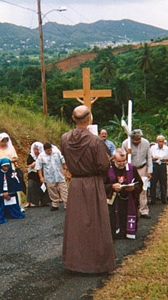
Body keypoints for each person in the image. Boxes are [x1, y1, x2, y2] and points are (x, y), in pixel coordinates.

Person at [61, 105, 115, 274]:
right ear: (89, 118)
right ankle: (97, 263)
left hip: (76, 184)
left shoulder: (64, 138)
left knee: (76, 223)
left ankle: (74, 262)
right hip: (93, 183)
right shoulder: (95, 141)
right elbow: (104, 165)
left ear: (72, 118)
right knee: (96, 222)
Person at [105, 148, 143, 240]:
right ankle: (115, 233)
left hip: (128, 200)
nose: (122, 164)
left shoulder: (131, 168)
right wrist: (112, 186)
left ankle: (128, 232)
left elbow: (140, 183)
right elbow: (102, 185)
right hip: (114, 201)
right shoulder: (107, 169)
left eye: (123, 161)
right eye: (119, 161)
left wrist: (133, 188)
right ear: (113, 159)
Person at [122, 129, 153, 219]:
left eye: (138, 139)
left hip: (142, 168)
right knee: (130, 188)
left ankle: (144, 211)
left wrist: (149, 171)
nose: (137, 141)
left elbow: (149, 157)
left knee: (143, 190)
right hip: (131, 168)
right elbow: (121, 157)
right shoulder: (126, 143)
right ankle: (130, 209)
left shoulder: (146, 143)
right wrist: (127, 153)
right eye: (135, 140)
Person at [0, 132, 26, 212]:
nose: (4, 143)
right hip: (0, 170)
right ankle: (2, 206)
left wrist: (8, 161)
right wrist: (0, 162)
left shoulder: (10, 148)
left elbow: (15, 158)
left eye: (6, 141)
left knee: (13, 186)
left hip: (10, 169)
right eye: (3, 141)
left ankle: (18, 205)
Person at [36, 142, 68, 211]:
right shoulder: (41, 156)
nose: (49, 152)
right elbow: (39, 167)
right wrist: (41, 177)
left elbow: (63, 160)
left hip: (59, 174)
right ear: (44, 150)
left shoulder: (56, 152)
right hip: (49, 176)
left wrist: (65, 169)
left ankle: (66, 203)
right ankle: (55, 204)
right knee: (52, 190)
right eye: (48, 151)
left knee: (63, 189)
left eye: (50, 150)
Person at [25, 141, 50, 208]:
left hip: (41, 174)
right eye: (34, 149)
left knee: (43, 185)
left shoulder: (42, 156)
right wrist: (32, 165)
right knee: (31, 185)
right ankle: (31, 201)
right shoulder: (31, 156)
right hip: (32, 175)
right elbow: (28, 165)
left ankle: (44, 201)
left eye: (37, 149)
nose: (36, 151)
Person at [150, 135, 168, 204]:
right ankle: (153, 199)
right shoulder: (152, 148)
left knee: (163, 183)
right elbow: (149, 157)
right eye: (159, 141)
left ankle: (164, 199)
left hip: (162, 166)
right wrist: (153, 159)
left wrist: (164, 160)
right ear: (157, 142)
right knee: (153, 183)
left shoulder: (166, 148)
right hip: (155, 165)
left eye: (162, 142)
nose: (161, 143)